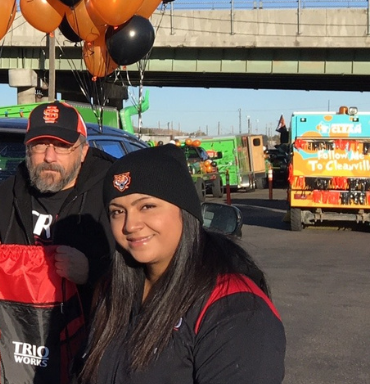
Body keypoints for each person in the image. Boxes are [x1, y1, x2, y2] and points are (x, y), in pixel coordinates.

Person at [81, 145, 285, 383]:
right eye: (117, 211)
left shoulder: (234, 309)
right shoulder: (111, 292)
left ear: (184, 210)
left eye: (147, 206)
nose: (130, 225)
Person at [0, 102, 115, 310]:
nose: (49, 157)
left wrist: (92, 272)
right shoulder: (9, 193)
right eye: (40, 145)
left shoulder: (110, 195)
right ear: (28, 150)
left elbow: (139, 267)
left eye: (61, 146)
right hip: (17, 330)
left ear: (83, 152)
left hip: (87, 334)